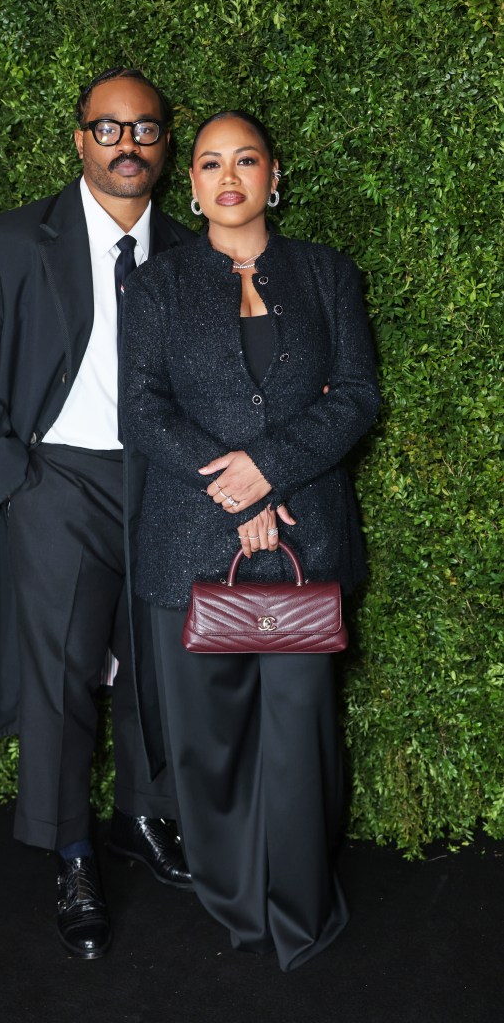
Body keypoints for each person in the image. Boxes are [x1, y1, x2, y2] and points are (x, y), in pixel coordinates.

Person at [0, 67, 197, 961]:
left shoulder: (191, 253)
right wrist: (17, 484)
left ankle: (143, 817)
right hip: (58, 481)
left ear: (164, 145)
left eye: (145, 129)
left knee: (158, 662)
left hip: (165, 485)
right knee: (61, 675)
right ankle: (70, 849)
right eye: (108, 128)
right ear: (80, 138)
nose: (127, 144)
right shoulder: (10, 241)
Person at [121, 110, 380, 970]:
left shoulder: (326, 272)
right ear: (191, 186)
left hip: (305, 540)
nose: (227, 177)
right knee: (209, 744)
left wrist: (267, 470)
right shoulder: (156, 286)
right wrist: (234, 493)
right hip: (190, 544)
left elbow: (355, 395)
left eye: (245, 160)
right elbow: (142, 409)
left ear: (274, 174)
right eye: (209, 163)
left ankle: (300, 912)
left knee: (301, 736)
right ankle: (235, 904)